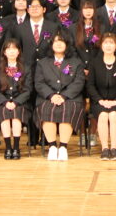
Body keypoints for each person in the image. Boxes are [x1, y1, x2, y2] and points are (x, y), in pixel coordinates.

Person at [36, 32, 86, 161]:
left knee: (68, 109)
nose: (58, 44)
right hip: (48, 97)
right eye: (55, 41)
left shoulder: (76, 62)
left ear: (67, 45)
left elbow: (79, 82)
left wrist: (64, 96)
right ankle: (52, 147)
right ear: (51, 44)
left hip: (70, 97)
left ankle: (63, 147)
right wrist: (51, 96)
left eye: (62, 41)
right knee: (47, 109)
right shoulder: (42, 63)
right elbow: (39, 83)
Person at [86, 32, 116, 160]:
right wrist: (100, 100)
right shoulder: (94, 62)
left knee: (113, 115)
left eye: (111, 43)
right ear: (101, 45)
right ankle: (105, 149)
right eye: (106, 43)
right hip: (99, 102)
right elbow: (90, 85)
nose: (108, 45)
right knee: (103, 115)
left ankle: (114, 149)